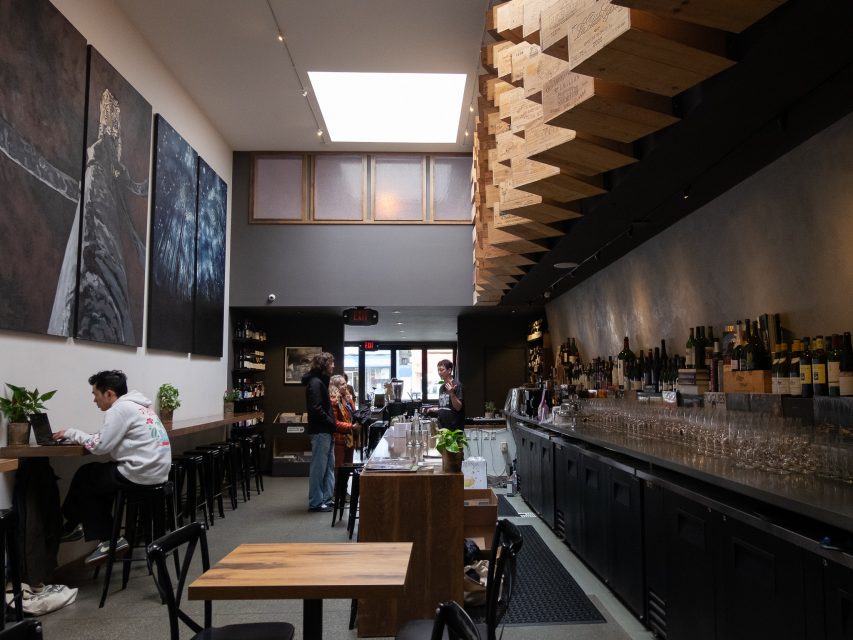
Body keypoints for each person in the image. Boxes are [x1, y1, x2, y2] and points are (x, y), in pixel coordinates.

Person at [54, 370, 171, 564]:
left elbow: (99, 447)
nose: (94, 400)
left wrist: (71, 433)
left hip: (141, 473)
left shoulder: (119, 409)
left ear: (109, 393)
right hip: (157, 472)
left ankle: (91, 532)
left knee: (86, 475)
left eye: (95, 394)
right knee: (99, 478)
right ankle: (78, 526)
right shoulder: (140, 406)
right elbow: (108, 440)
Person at [302, 352, 337, 512]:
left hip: (325, 431)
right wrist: (330, 422)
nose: (333, 366)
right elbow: (315, 409)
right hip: (321, 431)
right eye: (331, 363)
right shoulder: (315, 383)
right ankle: (316, 502)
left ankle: (326, 499)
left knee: (328, 466)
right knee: (319, 468)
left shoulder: (319, 381)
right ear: (324, 365)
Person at [329, 375, 355, 471]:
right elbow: (335, 423)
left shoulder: (346, 397)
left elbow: (353, 414)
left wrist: (350, 400)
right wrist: (351, 426)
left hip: (349, 438)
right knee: (339, 470)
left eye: (345, 383)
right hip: (339, 440)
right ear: (336, 386)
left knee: (348, 468)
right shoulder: (333, 401)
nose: (345, 385)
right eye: (342, 384)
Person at [431, 359, 465, 429]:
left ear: (449, 370)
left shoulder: (457, 385)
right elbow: (444, 407)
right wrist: (433, 410)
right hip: (442, 428)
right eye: (438, 370)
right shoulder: (441, 388)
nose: (439, 372)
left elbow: (458, 407)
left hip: (454, 430)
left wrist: (452, 394)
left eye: (441, 370)